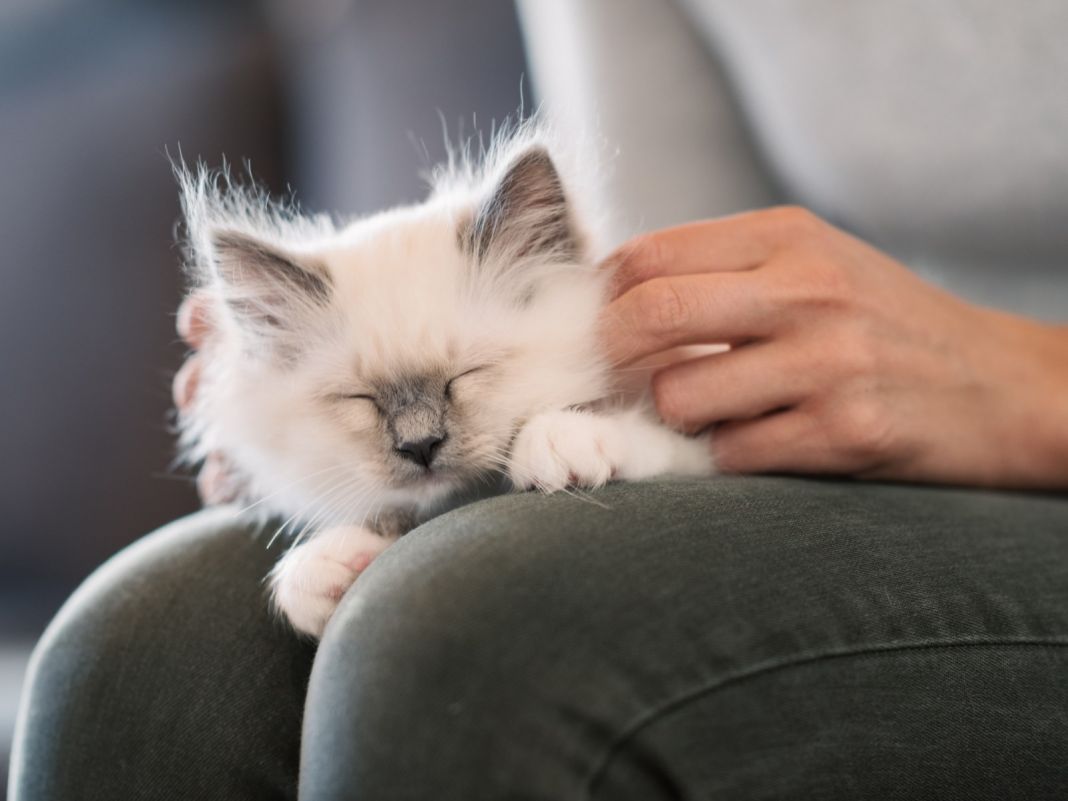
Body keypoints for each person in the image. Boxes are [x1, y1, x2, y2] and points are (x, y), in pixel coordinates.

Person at [11, 2, 1068, 799]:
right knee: (139, 649)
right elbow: (643, 278)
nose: (418, 431)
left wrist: (1020, 381)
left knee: (466, 631)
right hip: (848, 448)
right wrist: (302, 456)